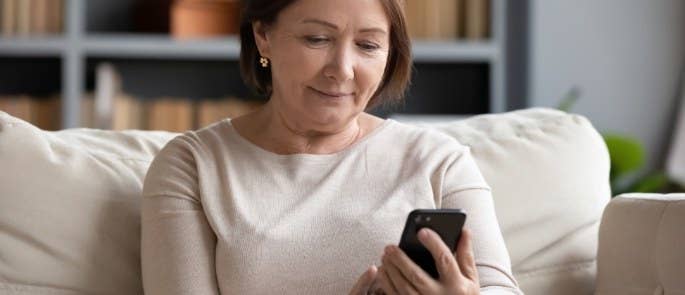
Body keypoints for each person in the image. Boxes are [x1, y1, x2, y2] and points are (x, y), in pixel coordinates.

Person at [141, 0, 523, 294]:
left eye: (368, 45)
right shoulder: (191, 166)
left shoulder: (439, 160)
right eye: (317, 39)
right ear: (263, 36)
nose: (342, 68)